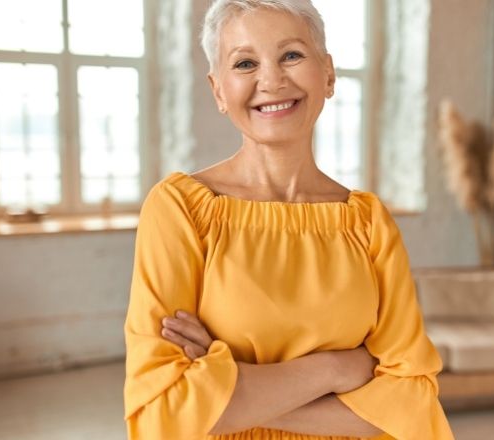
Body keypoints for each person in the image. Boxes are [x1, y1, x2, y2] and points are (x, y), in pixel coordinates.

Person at [123, 0, 455, 438]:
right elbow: (162, 409)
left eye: (292, 55)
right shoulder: (181, 209)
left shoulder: (368, 223)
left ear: (329, 74)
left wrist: (228, 385)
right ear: (219, 90)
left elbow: (413, 405)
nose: (271, 80)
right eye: (244, 63)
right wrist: (337, 369)